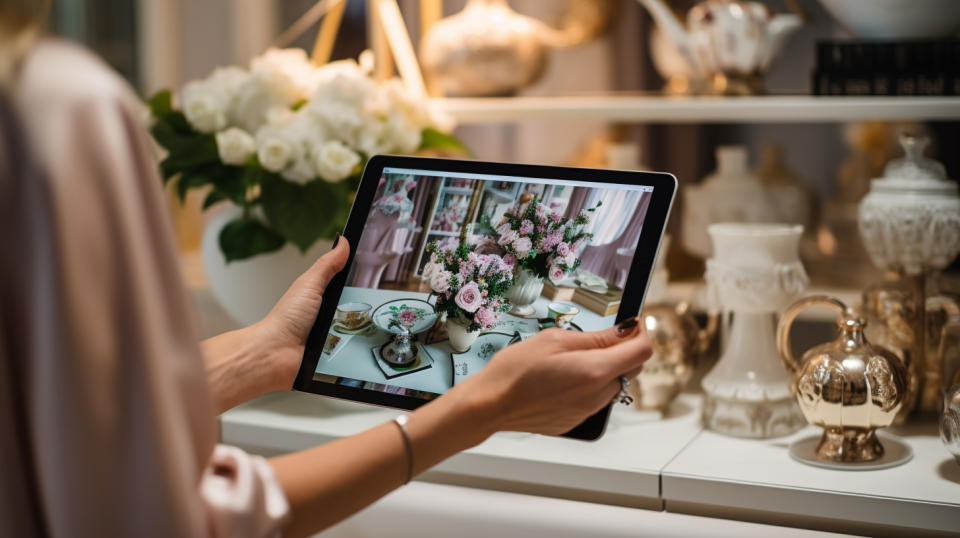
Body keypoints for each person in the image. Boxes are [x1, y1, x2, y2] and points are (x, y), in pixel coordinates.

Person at [0, 3, 653, 537]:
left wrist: (266, 351)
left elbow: (77, 426)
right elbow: (169, 520)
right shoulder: (52, 106)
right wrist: (473, 412)